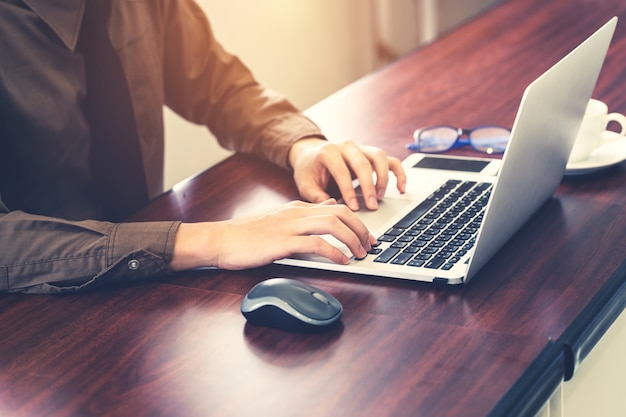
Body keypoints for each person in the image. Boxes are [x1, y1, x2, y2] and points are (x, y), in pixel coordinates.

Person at [0, 0, 406, 293]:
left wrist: (301, 145)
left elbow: (218, 85)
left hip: (152, 293)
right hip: (33, 319)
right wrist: (215, 240)